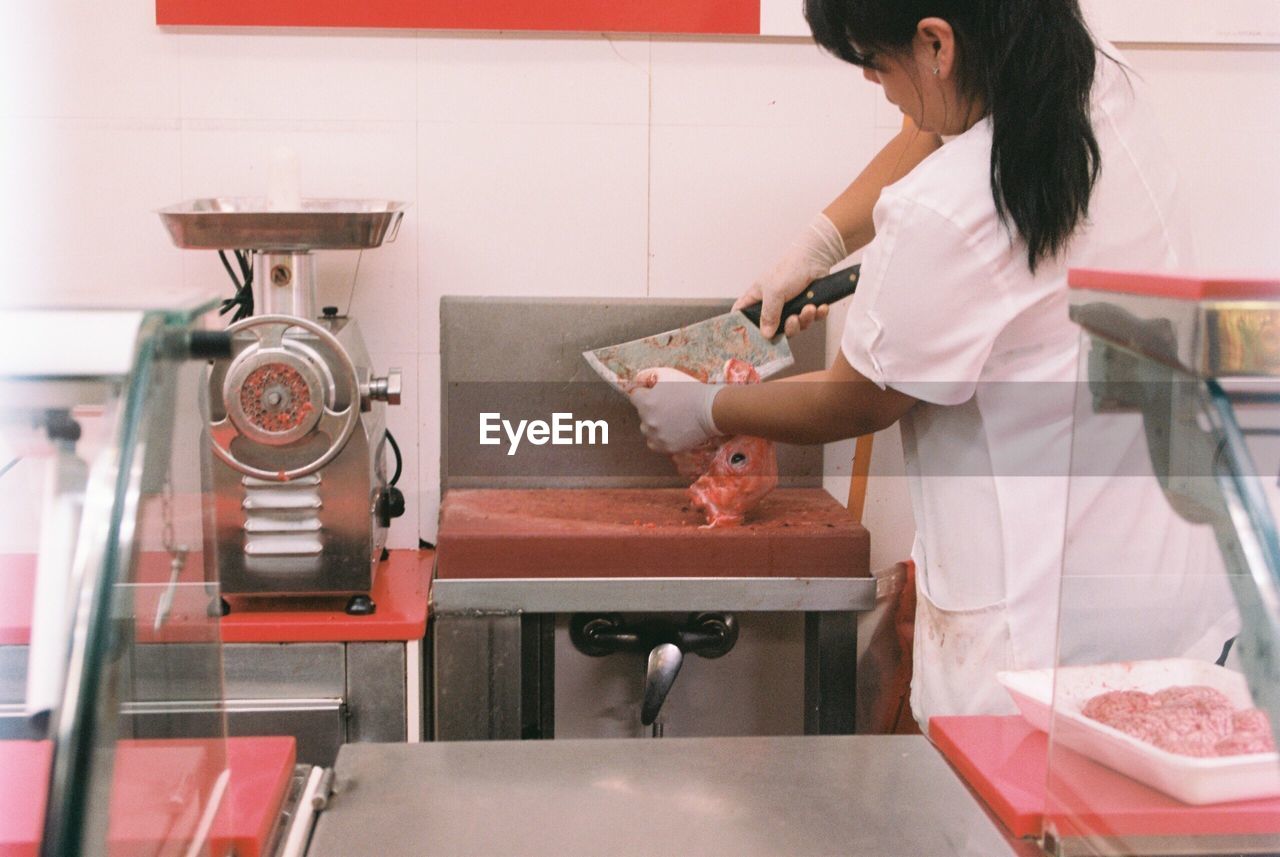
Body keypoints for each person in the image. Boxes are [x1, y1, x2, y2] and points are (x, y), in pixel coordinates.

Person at [629, 0, 1238, 729]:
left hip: (1037, 648)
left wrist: (702, 409)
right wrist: (821, 241)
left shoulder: (944, 213)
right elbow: (936, 125)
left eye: (873, 62)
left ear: (936, 44)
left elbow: (859, 401)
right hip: (1170, 591)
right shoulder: (1089, 72)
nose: (872, 83)